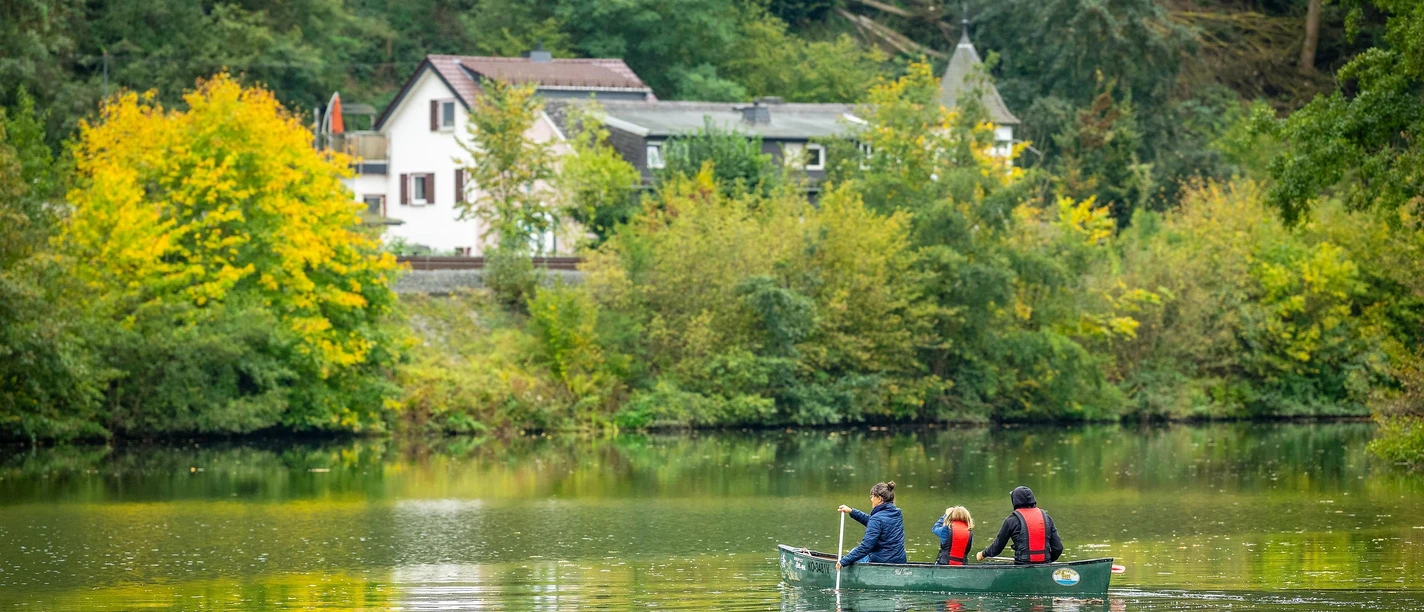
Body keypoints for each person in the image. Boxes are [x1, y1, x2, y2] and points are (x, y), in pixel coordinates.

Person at [975, 486, 1063, 565]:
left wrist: (983, 554)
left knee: (986, 565)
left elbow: (997, 548)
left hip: (1022, 565)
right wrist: (1048, 562)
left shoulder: (1011, 520)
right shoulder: (1047, 518)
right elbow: (1058, 548)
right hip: (1045, 565)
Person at [836, 481, 907, 568]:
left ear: (880, 499)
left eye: (872, 496)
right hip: (900, 561)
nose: (871, 499)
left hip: (882, 562)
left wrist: (843, 561)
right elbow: (874, 522)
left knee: (854, 552)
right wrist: (852, 511)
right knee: (855, 555)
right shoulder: (897, 513)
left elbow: (866, 547)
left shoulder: (877, 518)